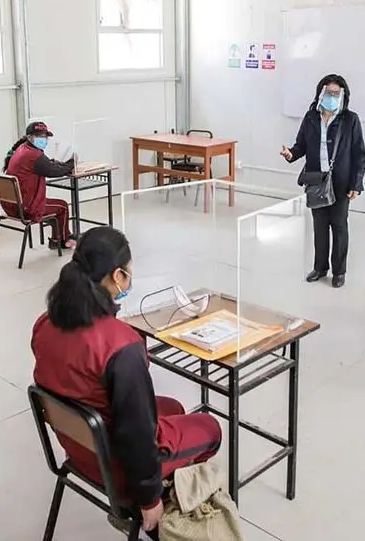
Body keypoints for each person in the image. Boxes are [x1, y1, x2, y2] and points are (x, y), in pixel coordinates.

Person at [31, 227, 222, 534]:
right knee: (210, 428)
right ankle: (159, 504)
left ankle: (163, 480)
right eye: (129, 273)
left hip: (78, 446)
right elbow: (135, 433)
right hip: (114, 466)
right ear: (117, 276)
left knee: (172, 406)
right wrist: (147, 499)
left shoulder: (44, 324)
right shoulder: (121, 346)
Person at [281, 73, 365, 288]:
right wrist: (291, 154)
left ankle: (339, 271)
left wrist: (357, 184)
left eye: (336, 93)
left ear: (343, 95)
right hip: (315, 179)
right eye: (329, 92)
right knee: (319, 227)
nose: (332, 96)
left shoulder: (350, 120)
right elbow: (300, 146)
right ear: (321, 93)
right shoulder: (311, 117)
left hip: (341, 182)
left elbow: (359, 155)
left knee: (339, 226)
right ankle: (320, 268)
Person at [2, 121, 77, 250]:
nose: (44, 139)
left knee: (53, 205)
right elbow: (55, 171)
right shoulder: (34, 155)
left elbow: (47, 165)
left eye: (45, 136)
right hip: (26, 208)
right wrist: (71, 163)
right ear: (30, 137)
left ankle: (59, 237)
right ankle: (61, 240)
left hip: (12, 205)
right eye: (40, 136)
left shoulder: (22, 149)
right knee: (62, 206)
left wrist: (58, 164)